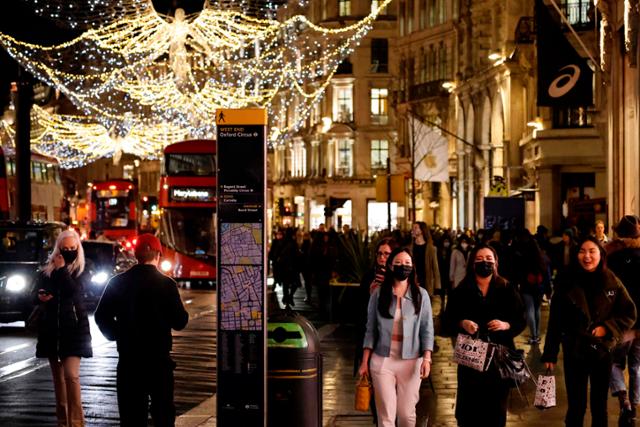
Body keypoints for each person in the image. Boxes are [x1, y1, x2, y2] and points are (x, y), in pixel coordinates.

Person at [95, 233, 189, 427]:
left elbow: (101, 315)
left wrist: (116, 333)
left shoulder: (117, 282)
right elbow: (180, 321)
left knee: (131, 416)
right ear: (158, 255)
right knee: (163, 414)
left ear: (136, 255)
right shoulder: (167, 284)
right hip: (159, 361)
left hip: (129, 360)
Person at [542, 236, 637, 427]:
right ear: (576, 255)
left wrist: (607, 329)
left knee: (599, 406)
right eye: (582, 251)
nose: (587, 256)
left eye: (592, 251)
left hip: (601, 351)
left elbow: (629, 313)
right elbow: (555, 321)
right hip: (574, 350)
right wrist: (550, 353)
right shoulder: (566, 281)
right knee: (576, 406)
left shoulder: (611, 280)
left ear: (601, 255)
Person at [442, 244, 526, 427]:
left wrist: (506, 325)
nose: (485, 263)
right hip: (471, 357)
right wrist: (462, 323)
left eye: (489, 259)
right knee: (469, 411)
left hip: (499, 357)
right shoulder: (461, 290)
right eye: (480, 259)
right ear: (472, 263)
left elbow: (521, 319)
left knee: (496, 410)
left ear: (496, 263)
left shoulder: (507, 288)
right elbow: (447, 321)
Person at [358, 247, 434, 427]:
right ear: (391, 266)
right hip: (382, 360)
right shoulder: (378, 293)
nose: (403, 266)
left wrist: (427, 358)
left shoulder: (421, 294)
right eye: (398, 263)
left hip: (412, 360)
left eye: (407, 263)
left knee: (406, 415)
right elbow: (370, 329)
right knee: (386, 416)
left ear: (412, 267)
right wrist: (364, 362)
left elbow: (427, 329)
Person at [36, 229, 93, 427]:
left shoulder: (82, 269)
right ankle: (63, 421)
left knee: (71, 375)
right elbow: (36, 291)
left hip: (74, 330)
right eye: (65, 248)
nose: (69, 251)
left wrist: (62, 270)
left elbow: (74, 292)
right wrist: (41, 296)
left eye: (72, 248)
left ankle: (76, 423)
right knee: (58, 381)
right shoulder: (47, 270)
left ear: (78, 248)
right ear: (58, 248)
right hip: (52, 330)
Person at [607, 215, 640, 425]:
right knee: (637, 365)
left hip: (623, 321)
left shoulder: (614, 257)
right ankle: (635, 407)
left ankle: (624, 399)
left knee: (613, 361)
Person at [410, 222, 441, 298]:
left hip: (426, 282)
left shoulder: (431, 248)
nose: (413, 230)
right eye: (413, 228)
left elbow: (435, 268)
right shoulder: (410, 248)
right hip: (413, 281)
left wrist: (437, 287)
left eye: (415, 228)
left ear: (422, 231)